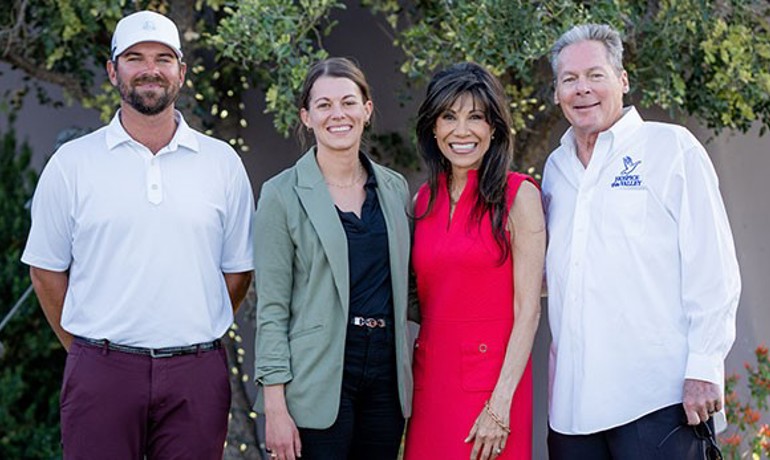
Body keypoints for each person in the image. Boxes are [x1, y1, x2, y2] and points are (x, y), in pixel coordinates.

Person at [21, 10, 254, 459]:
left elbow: (237, 273)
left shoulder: (221, 163)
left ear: (181, 73)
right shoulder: (72, 164)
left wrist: (192, 329)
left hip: (196, 372)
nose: (150, 69)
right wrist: (90, 351)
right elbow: (46, 272)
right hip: (101, 372)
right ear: (113, 70)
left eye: (164, 58)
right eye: (135, 57)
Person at [543, 23, 741, 459]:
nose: (583, 89)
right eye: (569, 79)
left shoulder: (671, 148)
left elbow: (714, 267)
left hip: (658, 398)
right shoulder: (555, 169)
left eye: (595, 74)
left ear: (623, 80)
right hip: (573, 411)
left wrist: (705, 367)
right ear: (556, 92)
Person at [252, 57, 412, 460]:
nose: (337, 114)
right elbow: (271, 308)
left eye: (348, 102)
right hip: (316, 377)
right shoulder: (281, 194)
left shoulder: (394, 189)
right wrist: (274, 405)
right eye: (323, 105)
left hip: (386, 377)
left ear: (367, 109)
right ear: (306, 116)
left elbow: (410, 287)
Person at [403, 62, 545, 460]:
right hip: (430, 384)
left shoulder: (519, 196)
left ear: (494, 127)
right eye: (449, 116)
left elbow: (528, 309)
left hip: (494, 389)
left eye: (476, 117)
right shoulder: (422, 201)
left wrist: (500, 406)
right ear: (434, 127)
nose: (461, 131)